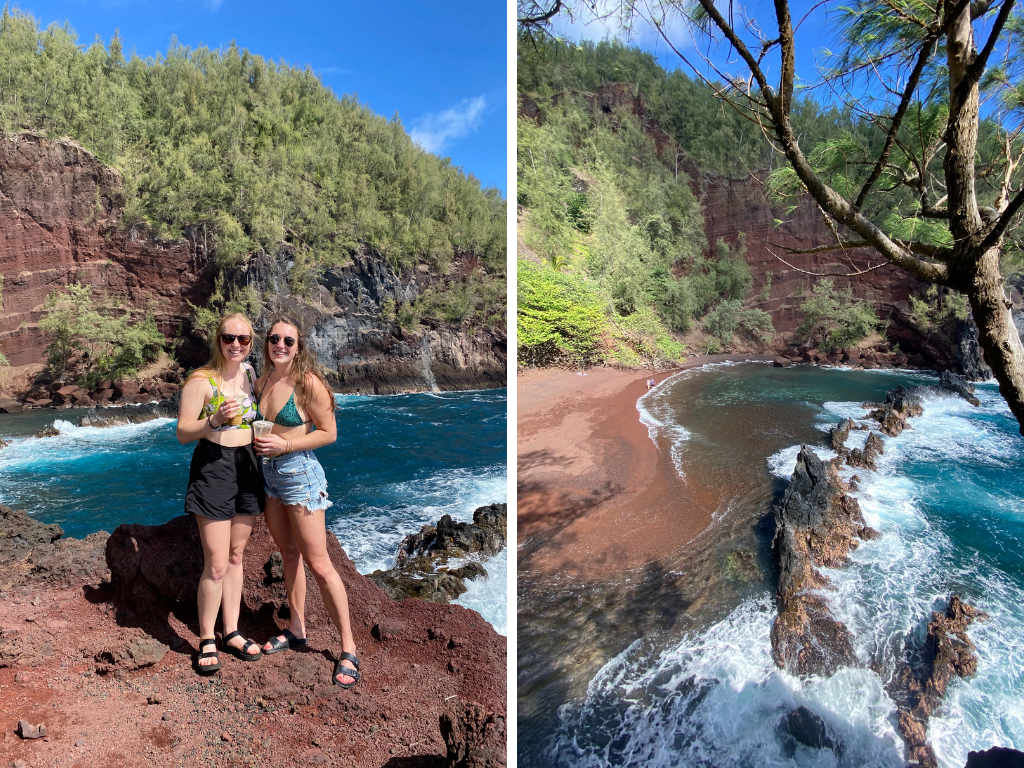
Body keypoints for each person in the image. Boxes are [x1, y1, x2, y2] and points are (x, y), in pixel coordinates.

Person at [252, 316, 360, 688]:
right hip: (268, 475)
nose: (280, 345)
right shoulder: (262, 381)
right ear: (266, 342)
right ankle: (297, 628)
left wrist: (287, 444)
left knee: (319, 562)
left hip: (299, 474)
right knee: (288, 553)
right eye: (274, 338)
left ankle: (348, 648)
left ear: (299, 347)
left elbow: (329, 433)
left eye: (288, 341)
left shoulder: (307, 383)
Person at [176, 312, 265, 675]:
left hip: (248, 464)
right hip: (214, 466)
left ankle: (231, 631)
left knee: (236, 554)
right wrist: (213, 421)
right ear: (218, 340)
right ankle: (206, 638)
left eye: (243, 340)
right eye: (229, 338)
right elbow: (183, 432)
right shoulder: (201, 381)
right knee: (214, 563)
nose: (236, 345)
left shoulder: (250, 376)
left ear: (250, 344)